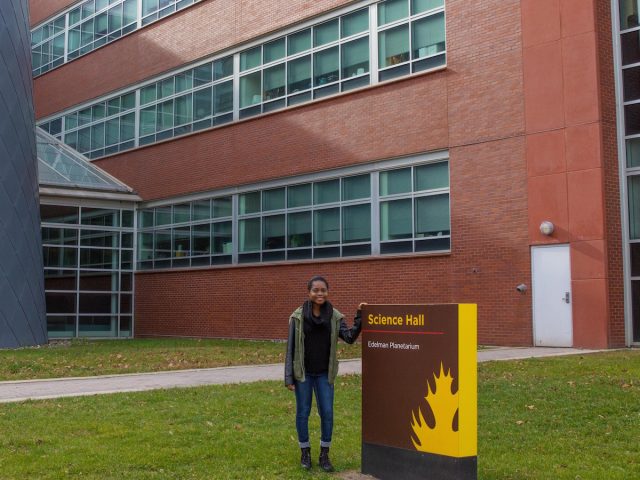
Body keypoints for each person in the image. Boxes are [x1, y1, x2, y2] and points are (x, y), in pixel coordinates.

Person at [284, 276, 364, 472]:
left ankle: (324, 454)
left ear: (327, 292)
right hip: (303, 374)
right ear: (309, 293)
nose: (319, 293)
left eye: (323, 290)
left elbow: (349, 337)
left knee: (327, 413)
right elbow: (290, 348)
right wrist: (289, 377)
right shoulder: (298, 316)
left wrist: (360, 315)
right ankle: (305, 452)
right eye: (315, 290)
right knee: (303, 413)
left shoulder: (334, 316)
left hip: (324, 375)